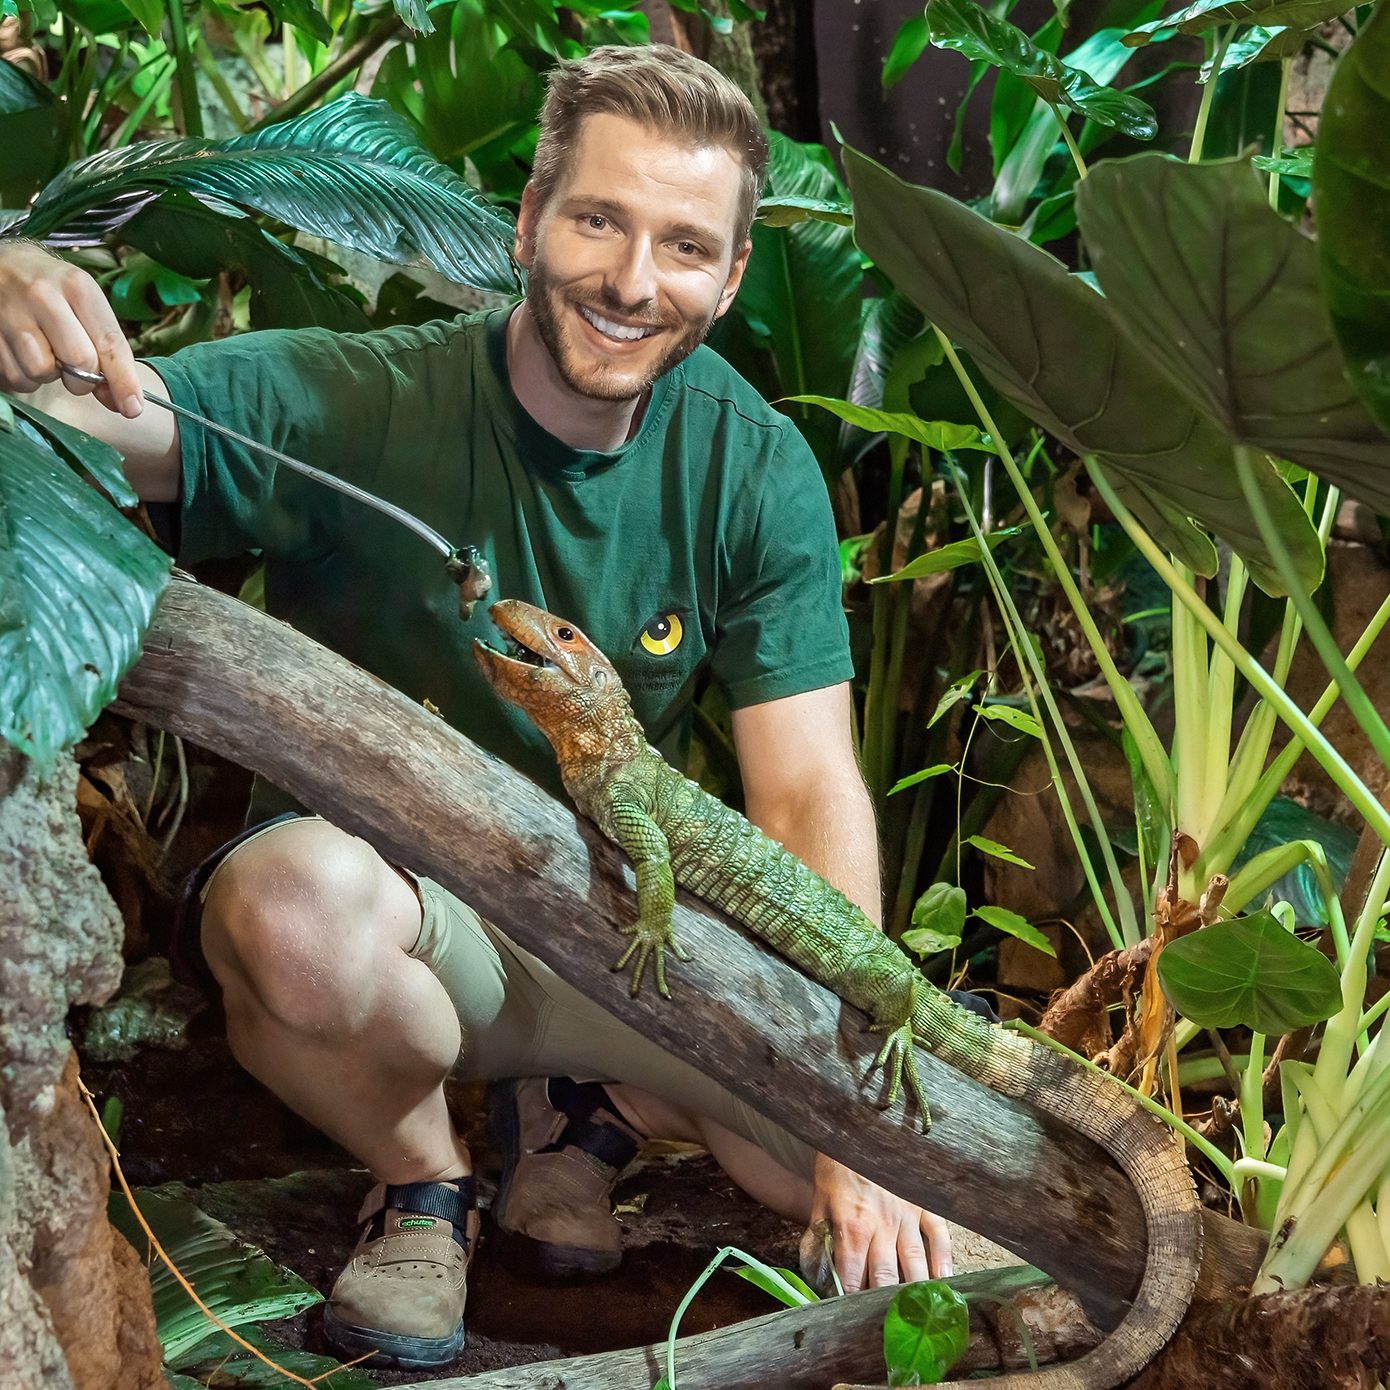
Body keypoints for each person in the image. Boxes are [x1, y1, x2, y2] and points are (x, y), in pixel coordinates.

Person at [0, 43, 951, 1371]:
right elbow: (100, 421)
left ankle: (590, 1111)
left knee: (905, 1206)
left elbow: (803, 790)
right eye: (598, 220)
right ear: (527, 221)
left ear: (732, 277)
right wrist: (11, 282)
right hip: (400, 931)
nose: (633, 282)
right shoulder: (363, 396)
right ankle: (423, 1179)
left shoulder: (754, 463)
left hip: (624, 930)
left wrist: (852, 1125)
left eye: (684, 245)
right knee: (292, 918)